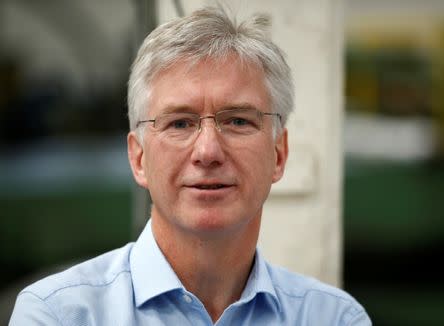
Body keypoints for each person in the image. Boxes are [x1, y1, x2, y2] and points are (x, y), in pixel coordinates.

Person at [10, 6, 371, 325]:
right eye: (180, 123)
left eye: (238, 121)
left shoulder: (334, 318)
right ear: (139, 158)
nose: (208, 151)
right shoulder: (57, 315)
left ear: (278, 154)